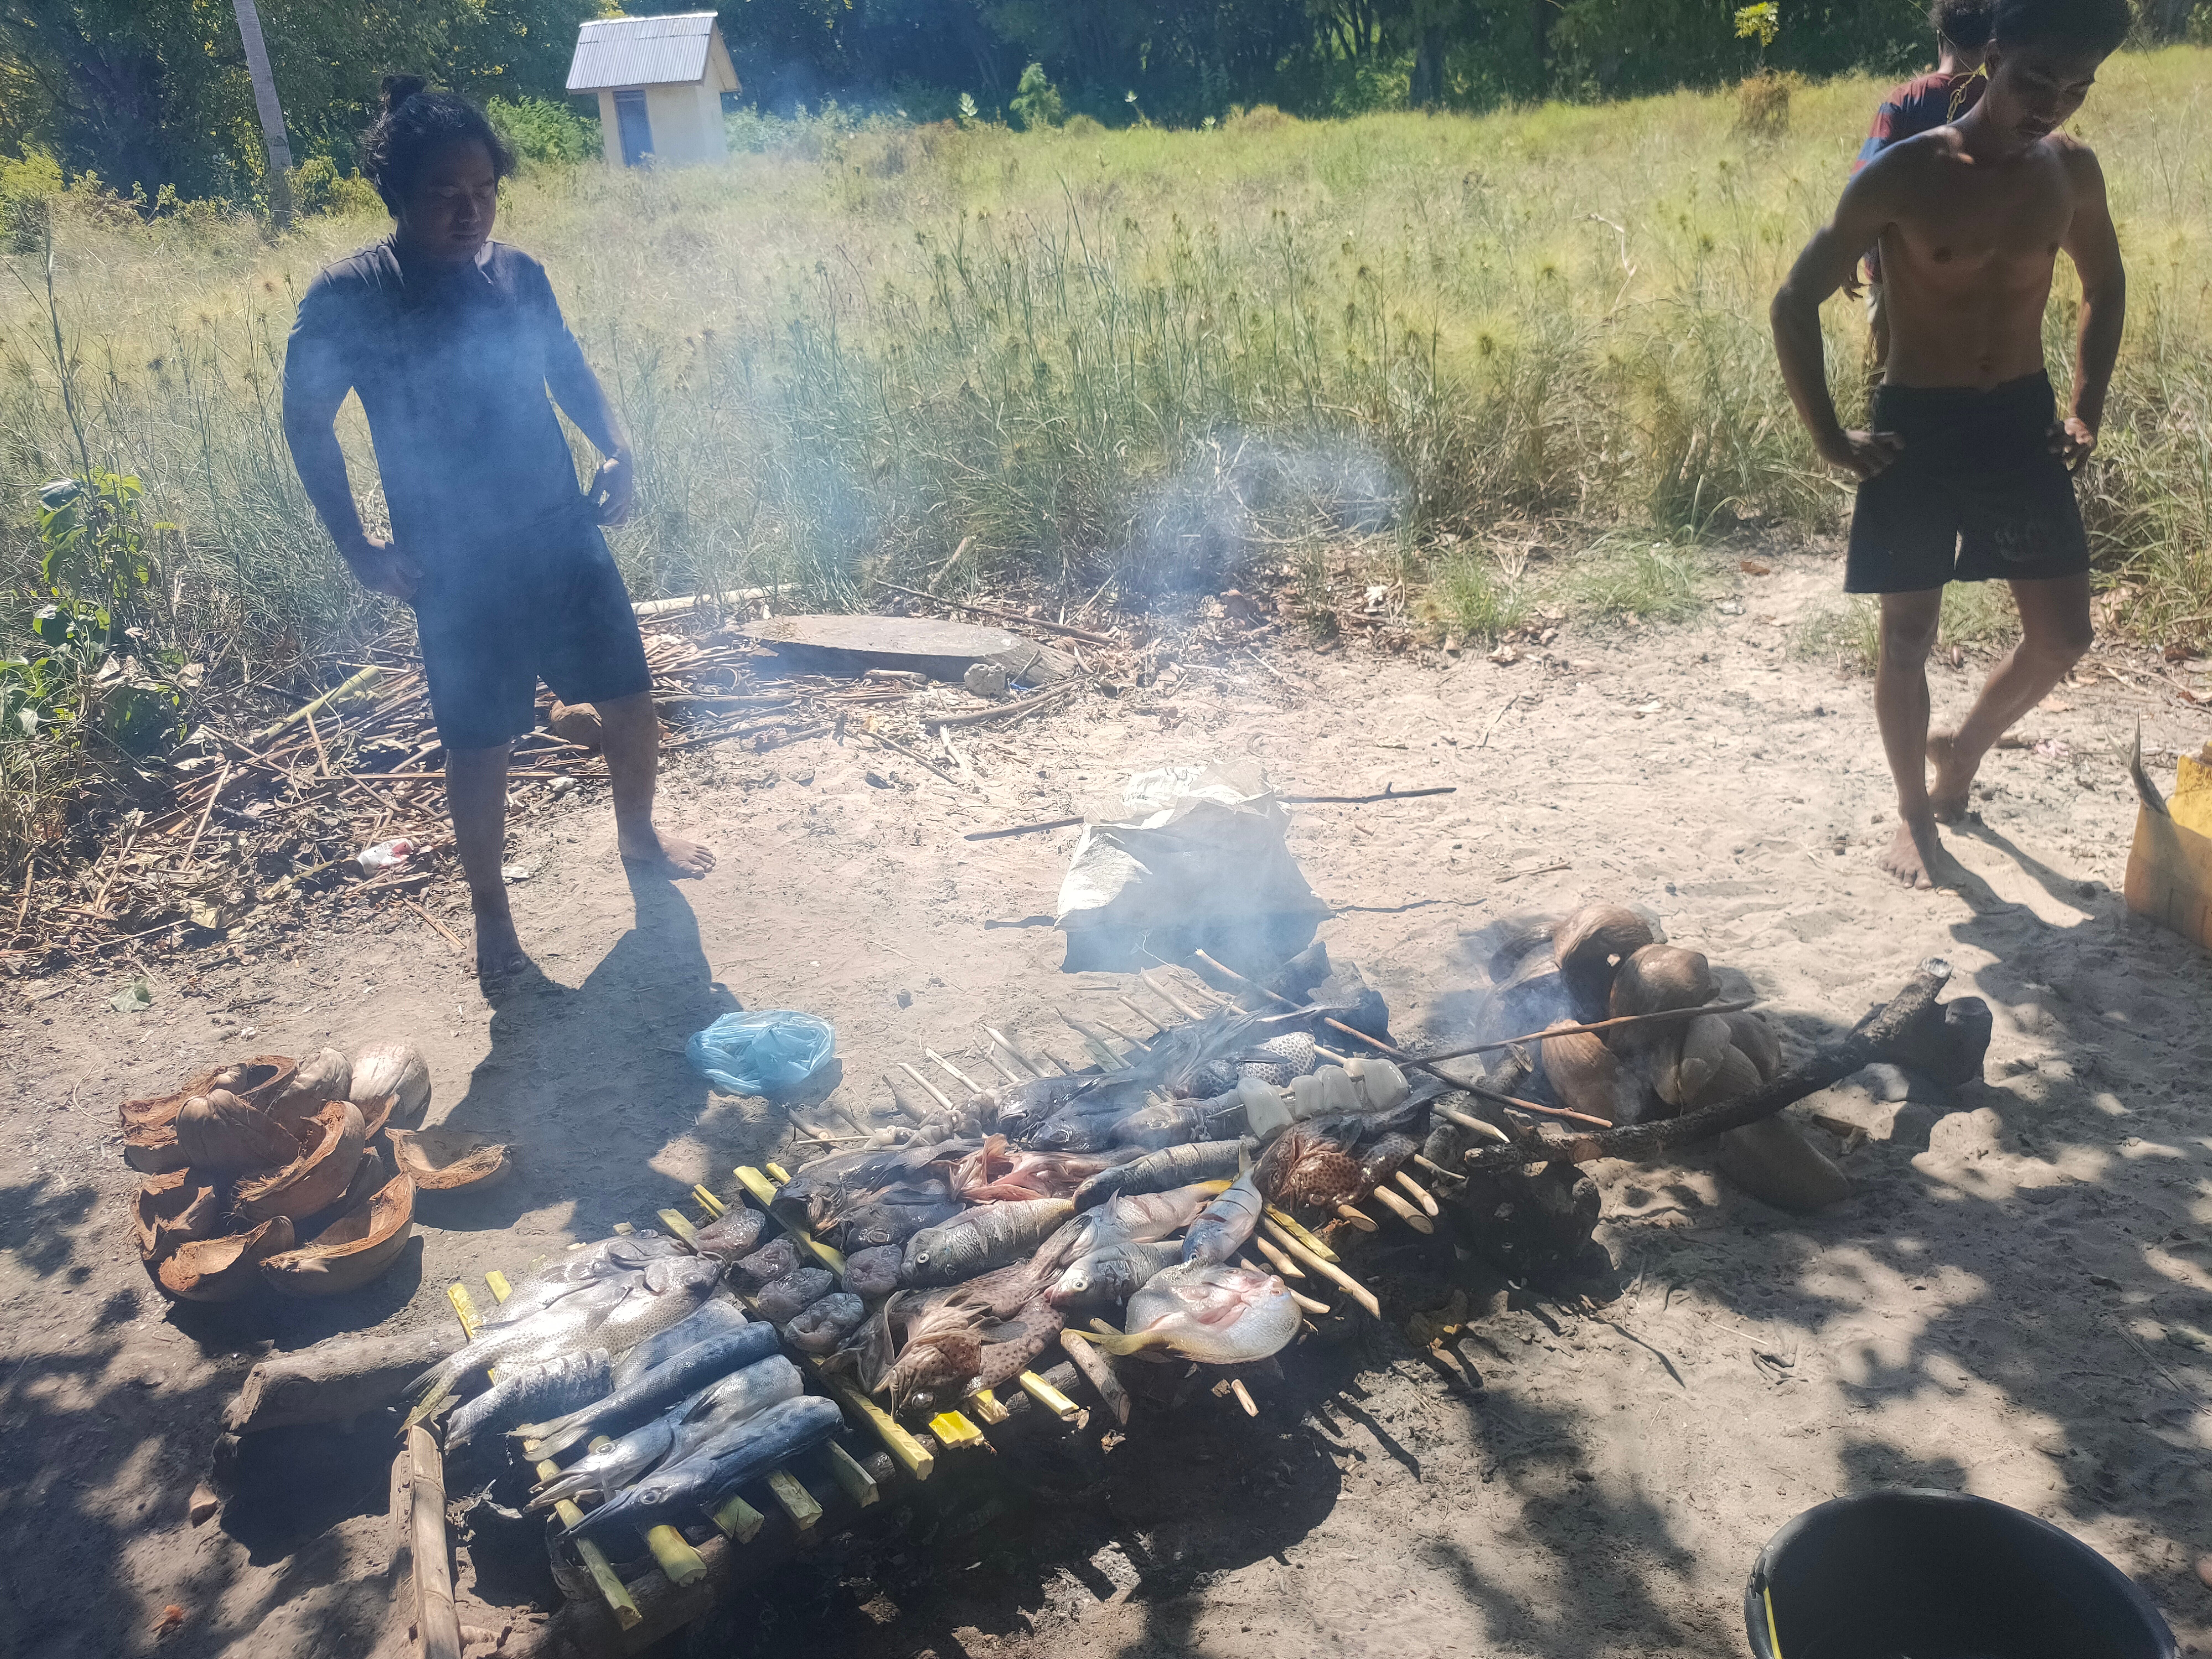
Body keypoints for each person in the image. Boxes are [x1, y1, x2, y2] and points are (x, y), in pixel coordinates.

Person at [283, 76, 713, 982]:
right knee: (481, 745)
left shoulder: (520, 276)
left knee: (631, 702)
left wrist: (616, 447)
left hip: (561, 537)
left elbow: (568, 367)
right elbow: (307, 422)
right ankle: (494, 922)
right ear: (396, 193)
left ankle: (638, 837)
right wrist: (358, 546)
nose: (470, 211)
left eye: (484, 190)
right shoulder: (354, 297)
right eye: (445, 192)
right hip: (456, 568)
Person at [1770, 0, 2129, 890]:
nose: (2053, 104)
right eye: (2036, 80)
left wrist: (2086, 408)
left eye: (2077, 88)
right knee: (1908, 636)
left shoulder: (2070, 174)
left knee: (2064, 638)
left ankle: (1961, 750)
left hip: (2020, 420)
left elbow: (2105, 284)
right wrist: (1830, 437)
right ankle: (1913, 817)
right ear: (1992, 58)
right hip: (1916, 426)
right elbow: (1794, 302)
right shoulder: (1904, 173)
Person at [1848, 0, 1995, 367]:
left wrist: (1848, 249)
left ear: (1940, 37)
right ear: (1991, 43)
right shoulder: (1998, 104)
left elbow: (1866, 184)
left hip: (1899, 275)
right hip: (1980, 272)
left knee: (1886, 377)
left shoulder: (1905, 101)